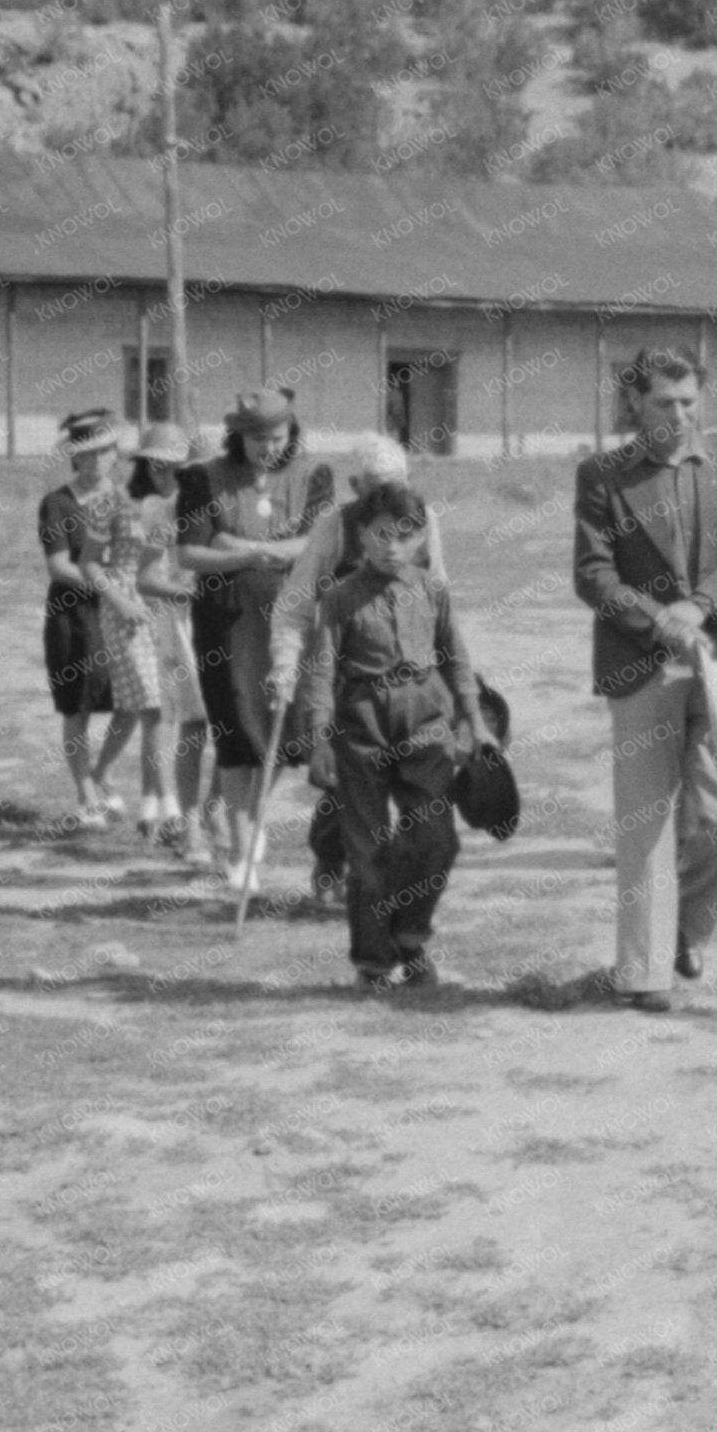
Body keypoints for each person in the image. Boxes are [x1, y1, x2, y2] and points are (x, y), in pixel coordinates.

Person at [573, 347, 717, 1013]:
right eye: (665, 402)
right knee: (646, 823)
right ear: (635, 402)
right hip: (640, 663)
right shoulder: (602, 475)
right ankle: (644, 970)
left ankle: (686, 926)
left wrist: (702, 606)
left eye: (689, 400)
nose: (680, 414)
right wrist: (658, 618)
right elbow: (592, 574)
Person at [309, 479, 482, 990]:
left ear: (422, 538)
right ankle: (374, 961)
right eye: (381, 533)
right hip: (361, 726)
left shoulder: (432, 590)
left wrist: (474, 718)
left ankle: (410, 935)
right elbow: (320, 673)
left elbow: (457, 657)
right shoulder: (339, 600)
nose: (392, 545)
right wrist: (319, 738)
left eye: (405, 535)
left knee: (437, 840)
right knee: (368, 850)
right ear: (361, 535)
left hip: (426, 721)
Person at [266, 434, 451, 904]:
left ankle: (396, 886)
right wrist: (285, 666)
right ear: (354, 486)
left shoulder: (425, 519)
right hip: (350, 677)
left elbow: (437, 592)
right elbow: (294, 603)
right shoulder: (335, 527)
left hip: (409, 681)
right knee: (349, 785)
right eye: (373, 489)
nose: (386, 501)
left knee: (413, 783)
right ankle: (331, 862)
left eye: (395, 485)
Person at [178, 389, 336, 897]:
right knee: (235, 732)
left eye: (276, 437)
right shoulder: (202, 479)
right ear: (237, 437)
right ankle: (240, 853)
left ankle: (252, 817)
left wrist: (241, 546)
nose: (266, 447)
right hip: (225, 624)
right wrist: (262, 555)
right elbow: (191, 554)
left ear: (291, 434)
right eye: (255, 439)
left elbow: (317, 546)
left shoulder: (315, 477)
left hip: (291, 623)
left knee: (278, 733)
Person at [36, 408, 146, 829]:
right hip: (74, 618)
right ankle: (85, 796)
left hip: (122, 617)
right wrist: (110, 589)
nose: (99, 460)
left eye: (106, 451)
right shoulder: (57, 504)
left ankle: (103, 773)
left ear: (115, 454)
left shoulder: (124, 500)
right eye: (89, 454)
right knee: (77, 708)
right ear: (75, 458)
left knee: (133, 700)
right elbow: (60, 567)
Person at [125, 423, 214, 863]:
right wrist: (188, 593)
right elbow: (144, 579)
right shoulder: (163, 512)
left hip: (232, 625)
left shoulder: (231, 507)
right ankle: (190, 826)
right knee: (193, 726)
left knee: (234, 728)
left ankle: (214, 815)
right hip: (183, 628)